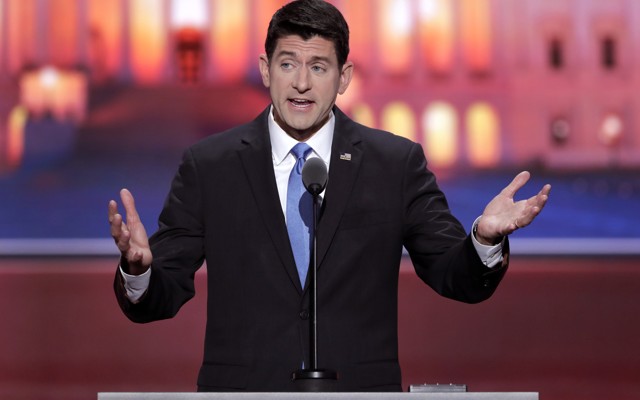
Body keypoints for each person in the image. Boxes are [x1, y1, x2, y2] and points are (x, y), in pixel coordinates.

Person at [108, 0, 550, 392]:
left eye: (318, 67)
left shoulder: (394, 164)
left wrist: (484, 239)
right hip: (244, 390)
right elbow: (160, 295)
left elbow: (456, 276)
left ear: (344, 77)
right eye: (287, 64)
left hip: (358, 390)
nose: (301, 83)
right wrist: (138, 269)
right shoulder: (210, 165)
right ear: (265, 70)